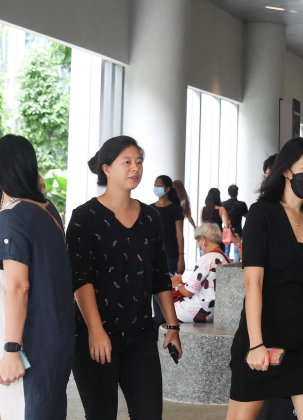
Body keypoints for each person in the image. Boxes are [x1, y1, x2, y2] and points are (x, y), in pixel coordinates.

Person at [227, 137, 303, 419]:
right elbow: (253, 283)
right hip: (263, 334)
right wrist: (256, 343)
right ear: (286, 170)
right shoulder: (261, 214)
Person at [67, 136, 182, 420]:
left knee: (149, 414)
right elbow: (79, 279)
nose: (136, 169)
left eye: (139, 162)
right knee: (101, 414)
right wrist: (95, 330)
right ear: (106, 168)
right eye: (127, 162)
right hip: (95, 335)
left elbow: (159, 275)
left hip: (140, 335)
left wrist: (172, 325)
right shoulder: (85, 217)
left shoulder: (150, 217)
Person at [0, 135, 74, 420]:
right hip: (52, 339)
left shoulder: (13, 216)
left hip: (27, 347)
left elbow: (19, 286)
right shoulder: (47, 210)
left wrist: (11, 351)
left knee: (22, 411)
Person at [171, 222, 230, 323]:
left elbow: (188, 292)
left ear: (203, 240)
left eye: (198, 241)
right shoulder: (225, 259)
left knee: (159, 319)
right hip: (216, 311)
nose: (199, 246)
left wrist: (177, 284)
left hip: (198, 310)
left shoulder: (207, 259)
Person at [152, 175, 186, 274]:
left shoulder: (175, 209)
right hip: (154, 254)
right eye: (155, 185)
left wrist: (181, 257)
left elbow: (179, 234)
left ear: (167, 189)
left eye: (159, 185)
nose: (156, 188)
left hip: (171, 254)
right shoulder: (150, 209)